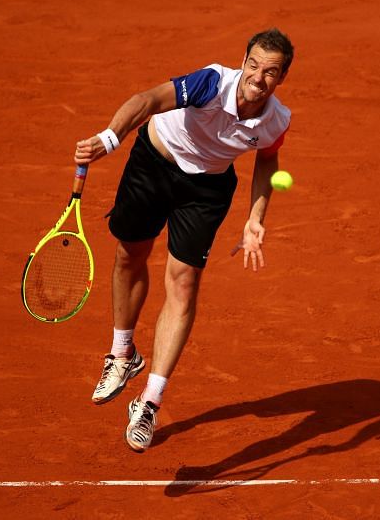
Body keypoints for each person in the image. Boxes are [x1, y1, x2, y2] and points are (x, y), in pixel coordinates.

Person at [73, 28, 294, 452]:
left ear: (281, 77)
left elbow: (268, 160)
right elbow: (148, 100)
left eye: (271, 72)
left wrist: (254, 218)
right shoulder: (212, 82)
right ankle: (122, 355)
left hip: (206, 191)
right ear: (243, 61)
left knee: (184, 281)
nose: (259, 78)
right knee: (129, 255)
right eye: (254, 65)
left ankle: (150, 400)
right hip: (153, 163)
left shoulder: (276, 120)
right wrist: (110, 137)